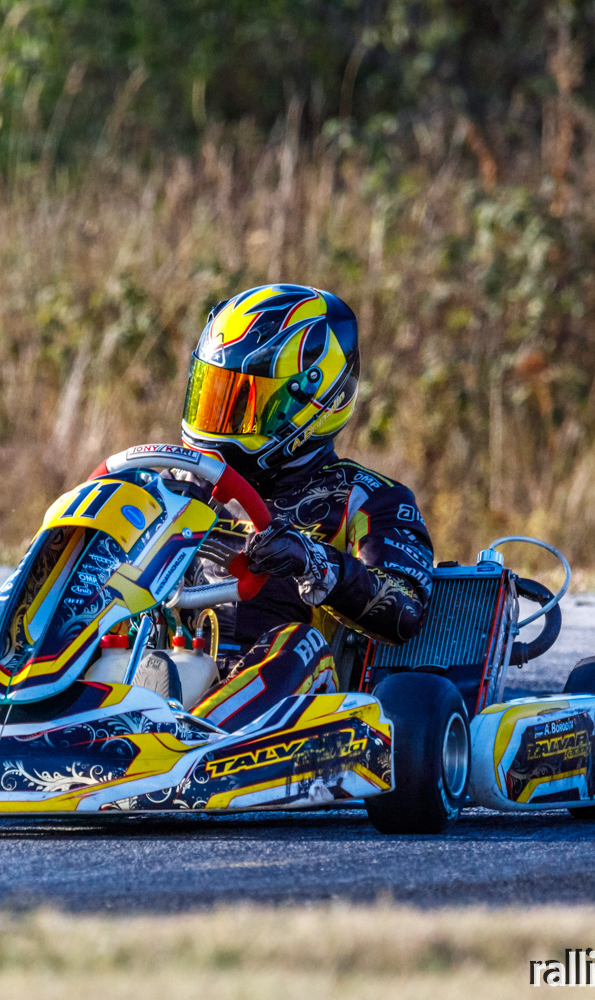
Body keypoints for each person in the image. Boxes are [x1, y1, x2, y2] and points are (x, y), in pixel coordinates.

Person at [178, 283, 435, 731]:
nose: (222, 419)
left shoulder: (368, 497)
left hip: (300, 701)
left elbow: (405, 612)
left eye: (246, 403)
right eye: (216, 395)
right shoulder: (179, 484)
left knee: (296, 642)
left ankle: (197, 740)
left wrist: (313, 562)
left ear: (317, 401)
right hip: (178, 668)